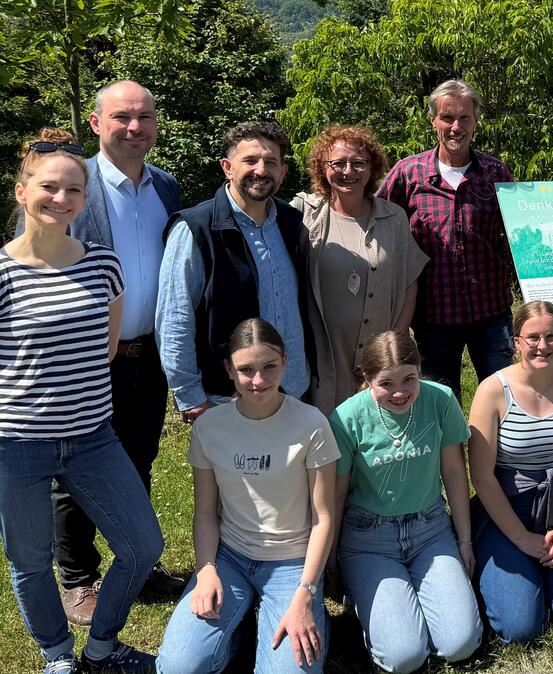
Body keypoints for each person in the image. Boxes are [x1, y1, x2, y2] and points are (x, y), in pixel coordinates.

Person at [0, 128, 163, 673]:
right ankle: (56, 657)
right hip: (17, 442)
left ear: (84, 200)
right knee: (29, 562)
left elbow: (108, 346)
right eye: (49, 187)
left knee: (142, 546)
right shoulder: (2, 272)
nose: (61, 199)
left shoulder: (102, 264)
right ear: (21, 191)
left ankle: (101, 648)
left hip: (93, 436)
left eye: (74, 191)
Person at [39, 80, 185, 625]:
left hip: (148, 357)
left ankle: (137, 562)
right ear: (97, 124)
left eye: (144, 117)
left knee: (137, 461)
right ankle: (77, 577)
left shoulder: (166, 188)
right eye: (122, 117)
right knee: (71, 468)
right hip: (84, 355)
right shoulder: (71, 186)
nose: (134, 127)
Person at [156, 318, 338, 673]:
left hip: (292, 564)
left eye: (270, 367)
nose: (259, 381)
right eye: (246, 370)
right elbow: (206, 513)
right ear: (228, 370)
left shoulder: (312, 424)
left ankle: (311, 619)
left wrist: (305, 594)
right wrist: (206, 569)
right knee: (178, 666)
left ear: (286, 361)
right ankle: (237, 630)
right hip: (230, 558)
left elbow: (324, 518)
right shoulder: (210, 427)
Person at [330, 331, 482, 673]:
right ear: (367, 379)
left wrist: (465, 541)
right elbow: (336, 494)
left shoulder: (440, 400)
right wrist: (332, 557)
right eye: (386, 383)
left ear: (420, 370)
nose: (400, 392)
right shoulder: (346, 418)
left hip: (430, 530)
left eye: (409, 379)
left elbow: (456, 474)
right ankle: (371, 599)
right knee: (404, 657)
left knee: (460, 643)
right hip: (369, 538)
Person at [157, 121, 313, 423]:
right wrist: (190, 397)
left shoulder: (292, 223)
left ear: (283, 171)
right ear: (227, 167)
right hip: (225, 399)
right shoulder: (196, 228)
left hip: (292, 393)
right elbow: (175, 319)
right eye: (250, 160)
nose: (261, 170)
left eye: (271, 162)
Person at [468, 300, 553, 642]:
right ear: (516, 341)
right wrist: (521, 539)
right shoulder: (492, 391)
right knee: (521, 628)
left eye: (552, 336)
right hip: (505, 506)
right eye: (533, 338)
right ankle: (510, 573)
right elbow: (481, 476)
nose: (543, 346)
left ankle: (544, 576)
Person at [378, 79, 515, 399]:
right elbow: (378, 222)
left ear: (476, 120)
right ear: (433, 120)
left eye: (464, 118)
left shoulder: (495, 173)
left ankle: (498, 451)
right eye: (447, 118)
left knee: (506, 398)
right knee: (440, 402)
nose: (456, 126)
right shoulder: (407, 174)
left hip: (492, 313)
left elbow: (519, 235)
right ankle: (449, 451)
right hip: (432, 316)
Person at [293, 125, 428, 415]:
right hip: (324, 355)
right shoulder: (303, 214)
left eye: (358, 163)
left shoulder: (394, 217)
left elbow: (409, 282)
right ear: (321, 167)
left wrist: (392, 346)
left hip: (379, 354)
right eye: (338, 163)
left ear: (372, 169)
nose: (348, 171)